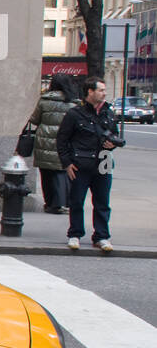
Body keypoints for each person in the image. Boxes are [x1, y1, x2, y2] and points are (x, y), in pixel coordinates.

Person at [57, 76, 121, 252]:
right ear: (90, 92)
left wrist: (113, 144)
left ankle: (102, 236)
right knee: (77, 200)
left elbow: (114, 135)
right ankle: (75, 233)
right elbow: (62, 140)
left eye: (104, 90)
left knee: (102, 202)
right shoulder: (75, 114)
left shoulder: (108, 112)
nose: (104, 93)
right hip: (80, 163)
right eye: (101, 90)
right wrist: (67, 163)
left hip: (104, 161)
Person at [22, 74, 76, 215]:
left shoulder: (45, 100)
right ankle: (63, 202)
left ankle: (51, 203)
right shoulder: (73, 102)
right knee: (62, 172)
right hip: (64, 142)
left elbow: (34, 119)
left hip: (44, 141)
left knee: (46, 173)